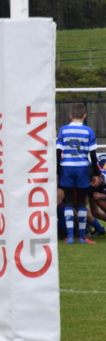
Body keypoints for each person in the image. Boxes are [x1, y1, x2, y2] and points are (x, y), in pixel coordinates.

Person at [56, 101, 102, 244]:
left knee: (69, 202)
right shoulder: (88, 131)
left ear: (70, 115)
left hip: (67, 168)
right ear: (85, 116)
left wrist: (58, 172)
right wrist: (96, 174)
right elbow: (93, 155)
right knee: (82, 203)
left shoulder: (63, 130)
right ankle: (82, 237)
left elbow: (58, 152)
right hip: (82, 168)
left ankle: (70, 236)